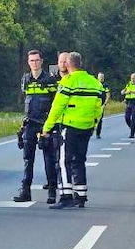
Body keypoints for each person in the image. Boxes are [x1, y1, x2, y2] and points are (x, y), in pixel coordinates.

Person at [42, 52, 105, 209]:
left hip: (69, 127)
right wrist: (94, 123)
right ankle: (81, 196)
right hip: (86, 127)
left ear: (69, 64)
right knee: (80, 160)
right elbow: (99, 107)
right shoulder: (94, 82)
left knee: (64, 162)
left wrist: (47, 128)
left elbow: (57, 107)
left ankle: (66, 196)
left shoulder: (68, 82)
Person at [13, 50, 61, 204]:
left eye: (36, 60)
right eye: (31, 61)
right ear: (28, 62)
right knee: (28, 158)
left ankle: (52, 191)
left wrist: (52, 124)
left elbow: (56, 102)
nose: (34, 63)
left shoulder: (49, 79)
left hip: (45, 123)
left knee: (49, 158)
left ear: (41, 61)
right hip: (30, 123)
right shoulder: (25, 79)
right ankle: (25, 191)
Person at [122, 73, 135, 138]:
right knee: (127, 117)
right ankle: (133, 129)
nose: (133, 79)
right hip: (128, 103)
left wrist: (130, 91)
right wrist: (123, 91)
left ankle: (132, 134)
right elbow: (125, 90)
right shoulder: (128, 84)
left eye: (134, 78)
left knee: (134, 117)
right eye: (132, 78)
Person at [95, 73, 110, 139]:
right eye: (100, 77)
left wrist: (105, 104)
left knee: (100, 119)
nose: (101, 78)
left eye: (102, 77)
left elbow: (108, 95)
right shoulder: (94, 84)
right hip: (94, 104)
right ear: (97, 77)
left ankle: (98, 133)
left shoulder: (105, 85)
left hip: (101, 105)